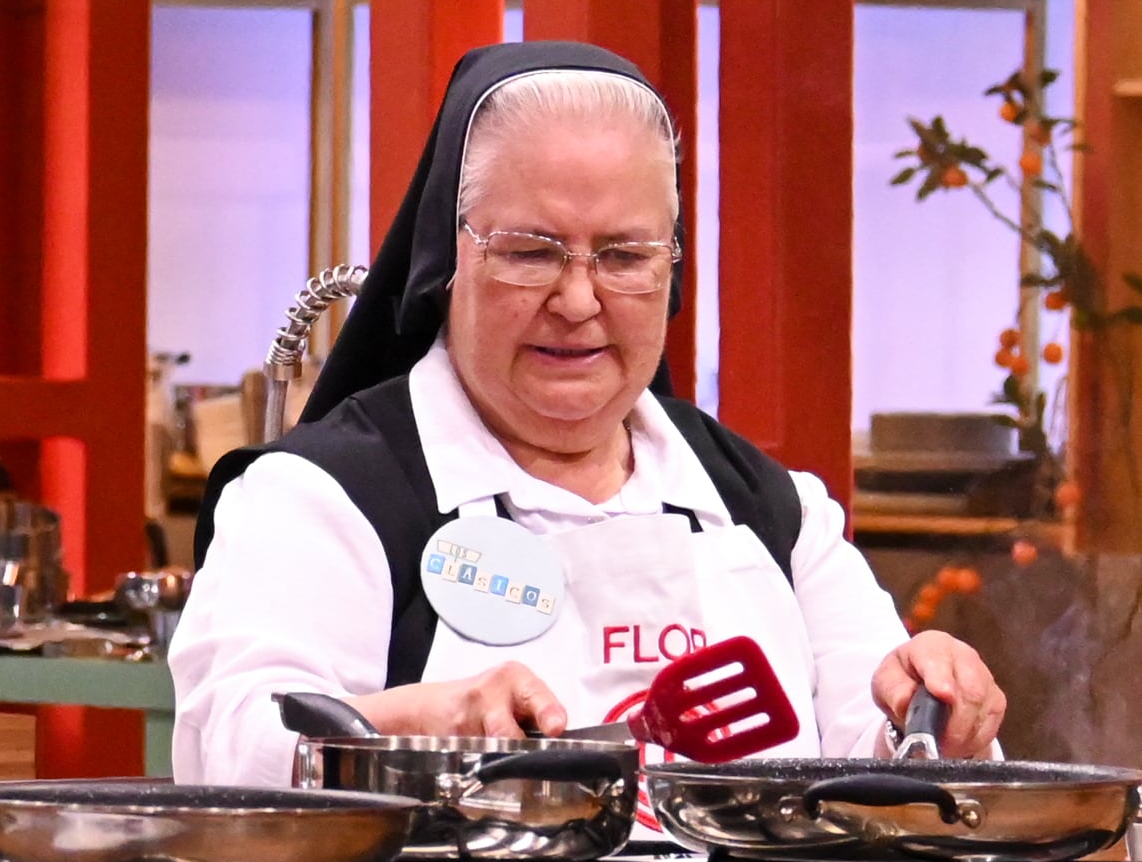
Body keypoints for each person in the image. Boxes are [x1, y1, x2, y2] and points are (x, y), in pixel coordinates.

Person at [171, 39, 1008, 788]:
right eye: (531, 253)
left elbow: (888, 773)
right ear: (447, 259)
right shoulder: (322, 500)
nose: (578, 300)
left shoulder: (772, 513)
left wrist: (931, 713)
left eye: (624, 256)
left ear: (671, 266)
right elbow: (234, 744)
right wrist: (415, 729)